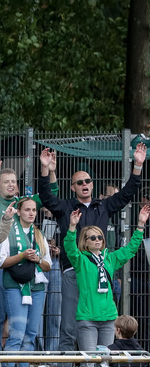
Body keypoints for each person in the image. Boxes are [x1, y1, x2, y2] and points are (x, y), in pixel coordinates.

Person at [39, 144, 145, 351]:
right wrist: (45, 170)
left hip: (99, 271)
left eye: (87, 181)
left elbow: (126, 194)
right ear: (73, 187)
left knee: (102, 322)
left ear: (93, 184)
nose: (84, 184)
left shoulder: (103, 205)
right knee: (69, 326)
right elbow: (46, 197)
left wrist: (138, 166)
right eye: (79, 182)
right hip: (73, 270)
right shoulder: (66, 207)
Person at [65, 205, 148, 350]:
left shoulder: (110, 258)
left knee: (105, 361)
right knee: (90, 362)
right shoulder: (81, 260)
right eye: (93, 237)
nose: (97, 240)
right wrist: (72, 227)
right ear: (85, 242)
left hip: (109, 318)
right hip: (88, 318)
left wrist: (140, 225)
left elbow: (130, 249)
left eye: (100, 237)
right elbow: (70, 249)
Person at [0, 197, 52, 355]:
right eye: (27, 209)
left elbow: (48, 266)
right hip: (15, 286)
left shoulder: (39, 234)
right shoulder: (8, 231)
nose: (31, 213)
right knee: (17, 335)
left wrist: (38, 259)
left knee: (31, 334)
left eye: (34, 210)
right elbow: (1, 262)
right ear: (18, 212)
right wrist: (22, 256)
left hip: (37, 288)